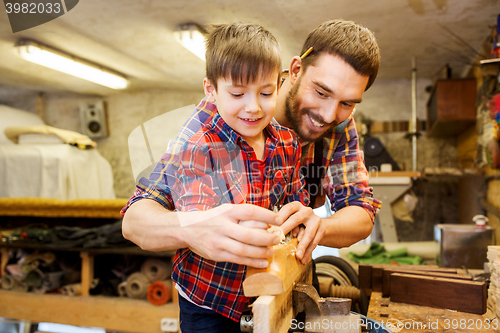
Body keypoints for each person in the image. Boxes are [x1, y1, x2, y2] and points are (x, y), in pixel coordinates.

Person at [122, 16, 381, 312]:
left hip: (289, 287)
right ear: (295, 70)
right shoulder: (216, 119)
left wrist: (317, 225)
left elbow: (361, 210)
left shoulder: (340, 124)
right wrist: (192, 228)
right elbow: (135, 219)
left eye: (347, 103)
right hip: (216, 300)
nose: (329, 114)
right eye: (321, 92)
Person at [158, 23, 309, 331]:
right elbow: (200, 223)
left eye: (266, 93)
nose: (253, 107)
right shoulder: (198, 147)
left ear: (279, 86)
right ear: (211, 90)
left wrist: (298, 217)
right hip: (208, 299)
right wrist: (248, 226)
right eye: (237, 93)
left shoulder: (287, 142)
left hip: (267, 287)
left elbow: (297, 199)